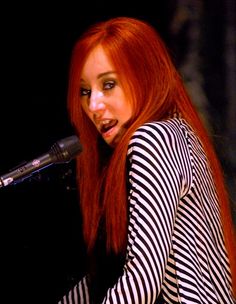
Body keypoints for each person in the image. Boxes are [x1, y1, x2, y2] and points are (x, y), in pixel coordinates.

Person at [58, 16, 236, 303]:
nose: (93, 106)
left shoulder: (154, 137)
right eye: (85, 91)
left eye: (109, 84)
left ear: (144, 74)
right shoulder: (177, 133)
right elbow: (104, 280)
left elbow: (141, 280)